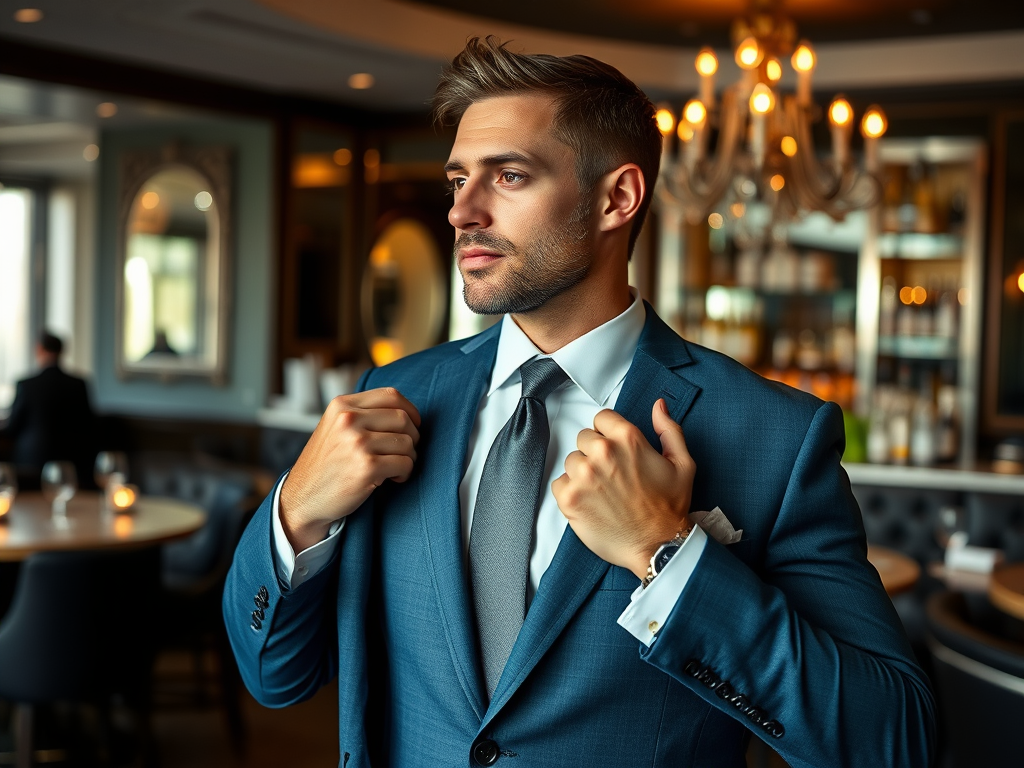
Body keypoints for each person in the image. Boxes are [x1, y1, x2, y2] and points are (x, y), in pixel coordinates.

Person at [224, 37, 934, 768]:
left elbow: (893, 743)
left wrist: (670, 558)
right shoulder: (392, 396)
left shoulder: (775, 437)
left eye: (508, 176)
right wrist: (295, 512)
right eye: (458, 180)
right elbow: (275, 676)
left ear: (616, 198)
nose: (462, 212)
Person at [1, 331, 97, 486]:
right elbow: (89, 426)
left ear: (39, 349)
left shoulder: (27, 385)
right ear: (62, 351)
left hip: (31, 464)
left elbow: (13, 427)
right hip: (73, 464)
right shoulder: (79, 384)